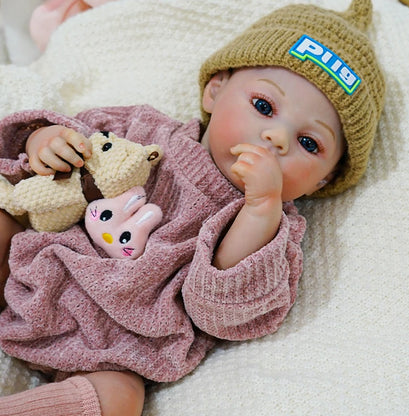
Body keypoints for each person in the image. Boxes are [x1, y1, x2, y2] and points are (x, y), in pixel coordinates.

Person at [0, 0, 385, 415]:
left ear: (322, 180)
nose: (276, 137)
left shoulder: (272, 232)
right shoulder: (146, 130)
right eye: (263, 106)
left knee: (120, 400)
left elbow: (218, 313)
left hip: (119, 347)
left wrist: (260, 209)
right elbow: (62, 146)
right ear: (215, 90)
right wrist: (43, 141)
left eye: (309, 143)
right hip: (33, 267)